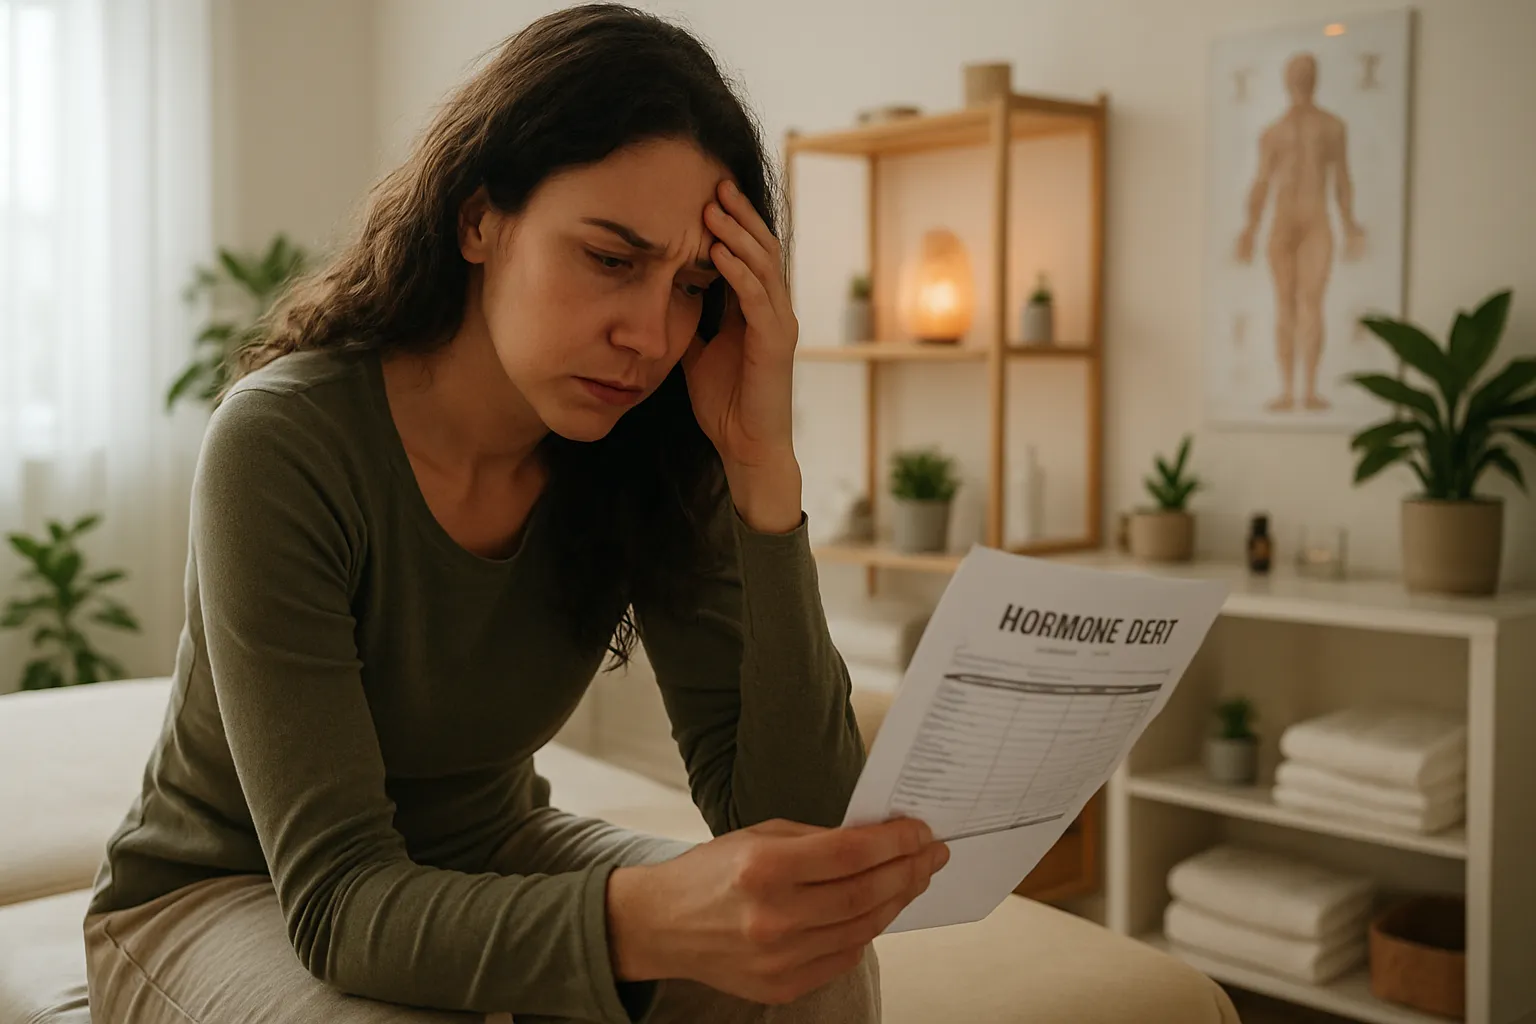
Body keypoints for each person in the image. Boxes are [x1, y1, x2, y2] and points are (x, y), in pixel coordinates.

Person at [82, 6, 949, 1022]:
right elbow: (339, 901)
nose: (649, 333)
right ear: (480, 217)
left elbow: (794, 833)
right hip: (231, 890)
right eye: (611, 259)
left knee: (814, 961)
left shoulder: (649, 448)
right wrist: (650, 917)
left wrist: (761, 466)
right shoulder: (283, 443)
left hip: (488, 852)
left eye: (692, 287)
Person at [1235, 51, 1366, 412]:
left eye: (1306, 72)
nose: (1301, 77)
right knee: (1285, 305)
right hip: (1283, 222)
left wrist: (1351, 222)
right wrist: (1249, 228)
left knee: (1310, 303)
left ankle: (1308, 389)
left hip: (1316, 221)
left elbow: (1342, 178)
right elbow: (1261, 182)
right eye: (1296, 72)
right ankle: (1286, 389)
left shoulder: (1332, 127)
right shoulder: (1273, 133)